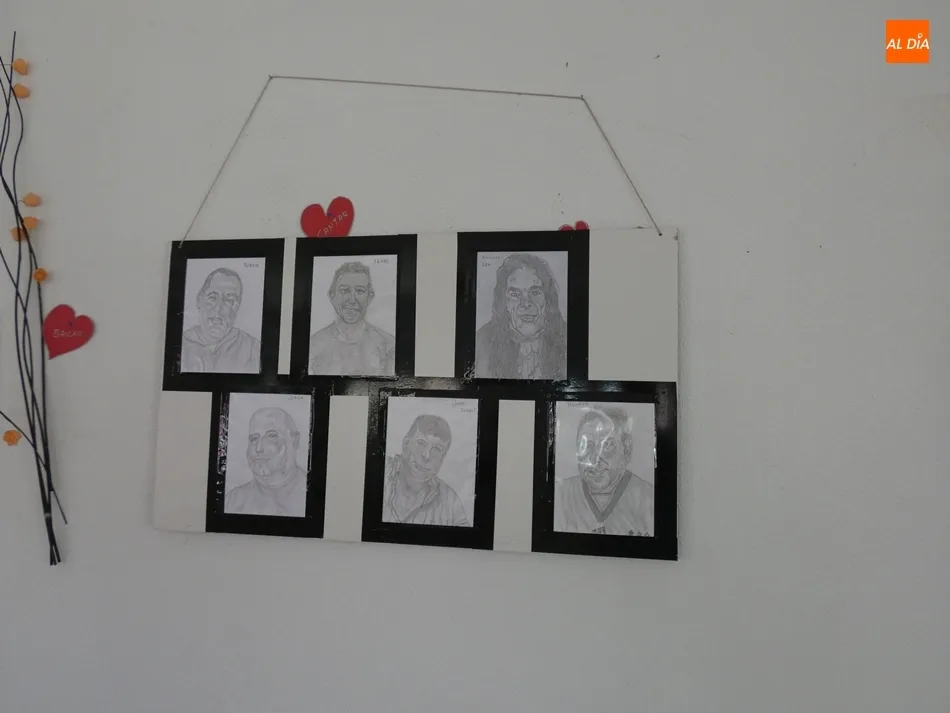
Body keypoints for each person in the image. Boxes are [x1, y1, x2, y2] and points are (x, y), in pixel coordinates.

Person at [554, 406, 654, 536]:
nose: (594, 459)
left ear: (626, 448)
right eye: (586, 445)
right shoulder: (559, 497)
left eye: (607, 445)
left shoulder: (649, 500)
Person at [474, 253, 567, 380]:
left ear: (547, 298)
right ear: (504, 302)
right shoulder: (480, 342)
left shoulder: (568, 337)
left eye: (535, 292)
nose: (526, 303)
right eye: (515, 294)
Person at [309, 261, 395, 376]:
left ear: (370, 297)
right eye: (345, 290)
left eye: (360, 291)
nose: (352, 299)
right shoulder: (314, 345)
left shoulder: (388, 345)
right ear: (332, 296)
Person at [382, 414, 469, 527]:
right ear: (406, 444)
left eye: (436, 449)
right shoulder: (380, 471)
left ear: (442, 459)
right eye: (421, 443)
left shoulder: (450, 502)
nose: (426, 455)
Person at [225, 407, 308, 517]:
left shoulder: (313, 494)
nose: (259, 448)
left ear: (294, 441)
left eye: (271, 436)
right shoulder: (233, 501)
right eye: (254, 439)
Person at [181, 267, 261, 373]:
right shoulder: (181, 345)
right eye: (212, 298)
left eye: (230, 300)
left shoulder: (253, 349)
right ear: (199, 301)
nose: (219, 310)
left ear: (237, 307)